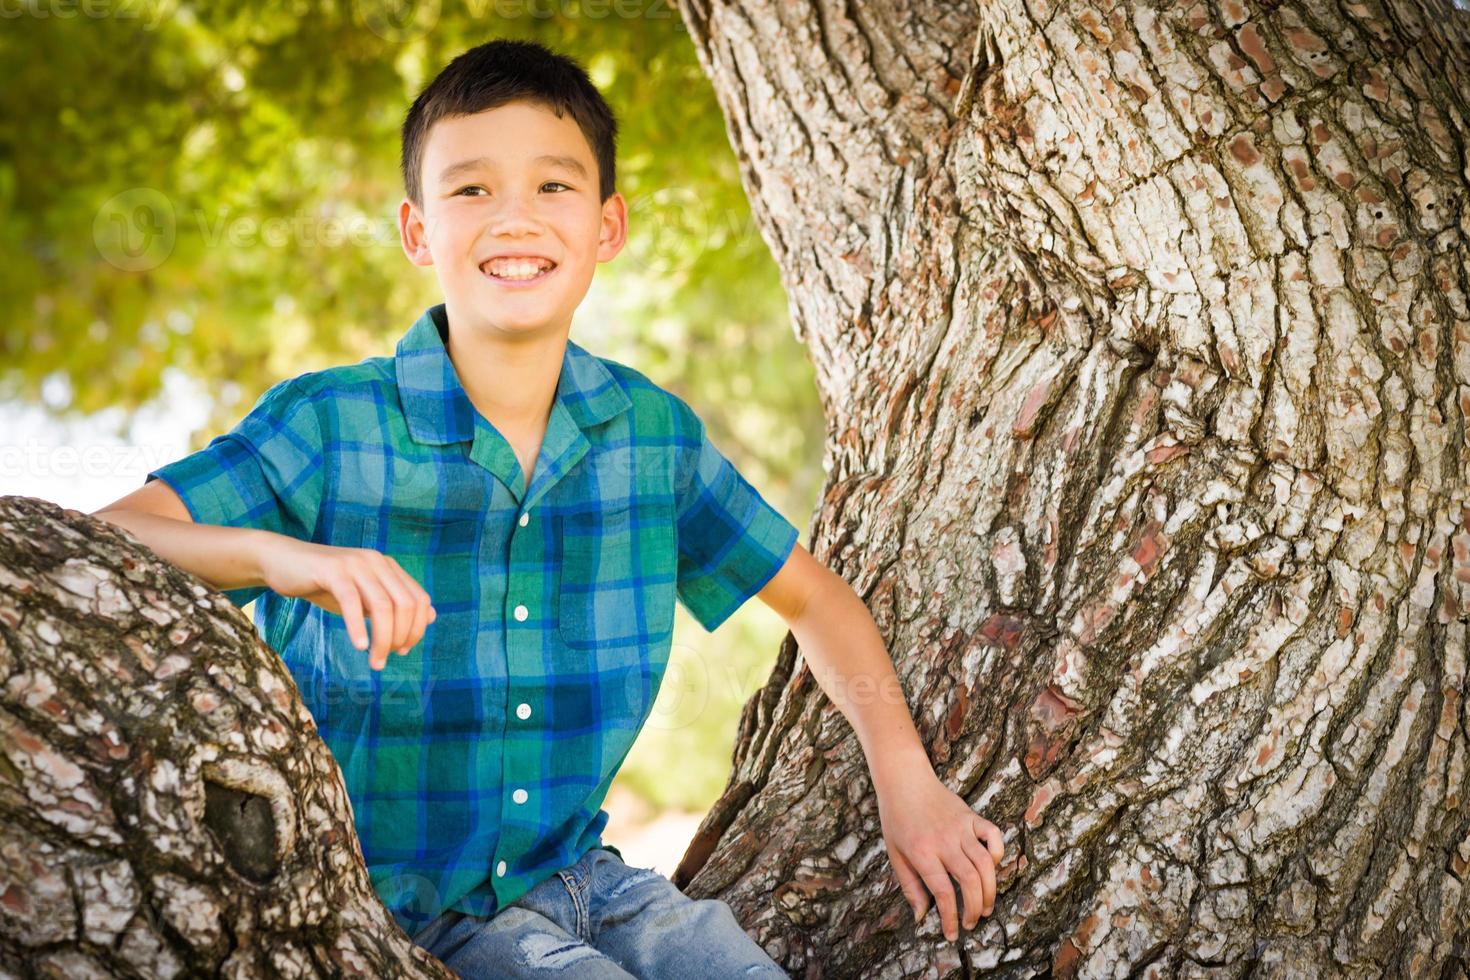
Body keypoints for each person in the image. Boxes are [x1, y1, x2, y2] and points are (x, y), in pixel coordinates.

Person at [93, 38, 1004, 978]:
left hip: (592, 887)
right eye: (472, 190)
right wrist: (285, 560)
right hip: (394, 912)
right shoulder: (332, 425)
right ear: (418, 232)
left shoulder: (650, 437)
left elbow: (817, 601)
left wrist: (908, 785)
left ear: (608, 226)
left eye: (554, 188)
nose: (515, 220)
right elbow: (105, 546)